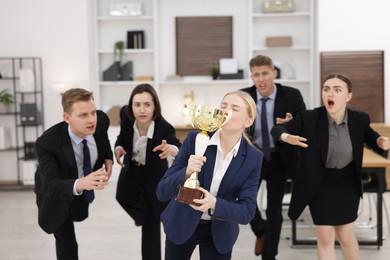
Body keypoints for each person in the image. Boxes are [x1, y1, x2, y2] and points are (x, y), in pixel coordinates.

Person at [271, 73, 390, 260]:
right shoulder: (309, 118)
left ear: (348, 96)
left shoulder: (360, 119)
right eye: (326, 89)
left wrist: (380, 141)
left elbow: (371, 136)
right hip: (320, 183)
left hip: (347, 183)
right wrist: (286, 137)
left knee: (346, 236)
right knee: (325, 238)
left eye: (337, 89)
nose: (330, 94)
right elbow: (277, 129)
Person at [156, 91, 263, 260]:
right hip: (181, 222)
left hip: (220, 232)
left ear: (248, 121)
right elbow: (162, 191)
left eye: (235, 108)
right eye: (223, 106)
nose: (226, 111)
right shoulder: (195, 140)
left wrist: (214, 203)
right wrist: (185, 172)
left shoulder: (253, 158)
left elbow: (247, 212)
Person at [34, 88, 113, 260]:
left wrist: (109, 156)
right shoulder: (47, 143)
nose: (91, 120)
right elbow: (50, 185)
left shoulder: (101, 122)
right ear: (67, 118)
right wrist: (81, 183)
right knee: (67, 241)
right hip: (55, 190)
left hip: (79, 188)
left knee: (78, 213)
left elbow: (104, 139)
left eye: (93, 112)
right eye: (83, 115)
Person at [241, 54, 306, 259]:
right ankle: (261, 231)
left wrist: (291, 122)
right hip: (253, 157)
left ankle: (269, 255)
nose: (261, 79)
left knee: (274, 210)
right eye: (256, 75)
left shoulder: (292, 95)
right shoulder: (244, 97)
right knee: (243, 200)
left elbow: (304, 123)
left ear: (274, 73)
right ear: (251, 77)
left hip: (280, 158)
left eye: (265, 73)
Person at [115, 83, 181, 260]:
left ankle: (149, 219)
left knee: (151, 228)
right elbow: (121, 136)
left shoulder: (164, 128)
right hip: (132, 170)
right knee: (121, 195)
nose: (141, 110)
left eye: (147, 104)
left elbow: (179, 147)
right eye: (137, 105)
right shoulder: (126, 116)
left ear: (155, 107)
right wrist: (119, 147)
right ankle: (145, 217)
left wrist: (172, 150)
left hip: (154, 176)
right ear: (131, 106)